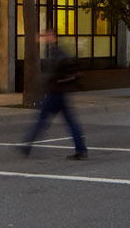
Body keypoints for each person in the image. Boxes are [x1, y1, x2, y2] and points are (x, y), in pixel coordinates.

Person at [19, 30, 87, 159]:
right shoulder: (56, 51)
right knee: (69, 121)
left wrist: (47, 82)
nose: (45, 37)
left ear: (54, 37)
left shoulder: (56, 52)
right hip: (59, 92)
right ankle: (81, 149)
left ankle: (27, 145)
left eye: (48, 35)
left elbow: (53, 71)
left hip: (55, 92)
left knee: (41, 120)